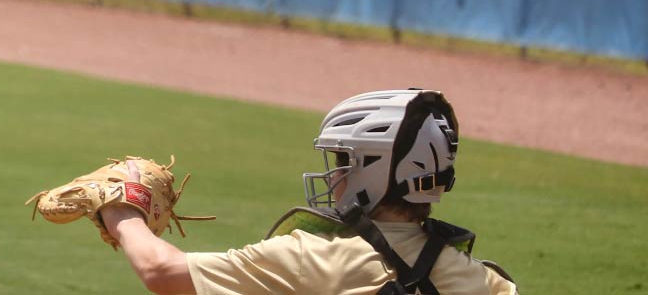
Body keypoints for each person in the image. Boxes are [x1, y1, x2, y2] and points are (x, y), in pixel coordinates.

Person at [97, 89, 518, 294]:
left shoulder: (312, 257)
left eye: (343, 161)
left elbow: (160, 271)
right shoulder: (483, 280)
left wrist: (120, 210)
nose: (334, 175)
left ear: (377, 170)